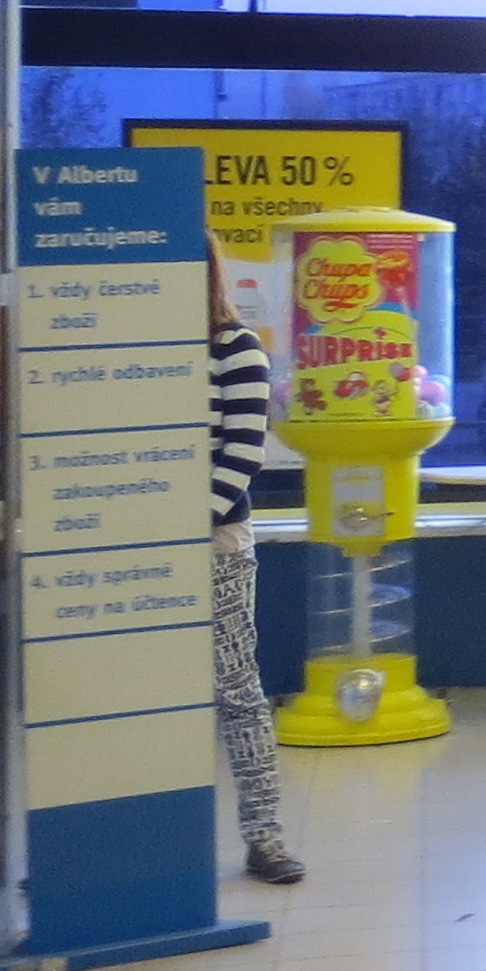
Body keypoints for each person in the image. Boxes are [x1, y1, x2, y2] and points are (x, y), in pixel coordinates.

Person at [206, 269, 296, 883]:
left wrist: (175, 530)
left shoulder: (236, 347)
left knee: (237, 689)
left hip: (216, 543)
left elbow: (242, 456)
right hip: (138, 550)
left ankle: (265, 837)